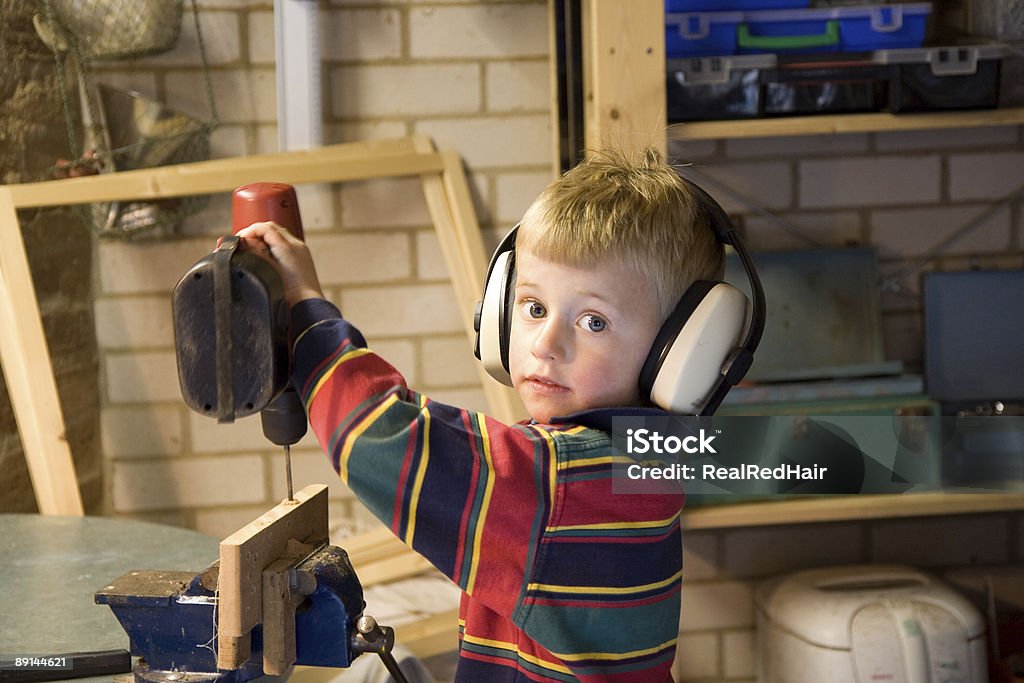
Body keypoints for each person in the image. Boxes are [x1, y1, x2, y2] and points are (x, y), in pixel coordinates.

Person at [237, 147, 725, 682]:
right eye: (535, 308)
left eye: (594, 322)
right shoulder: (646, 458)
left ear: (678, 350)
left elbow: (379, 438)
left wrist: (307, 308)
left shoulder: (563, 481)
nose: (545, 344)